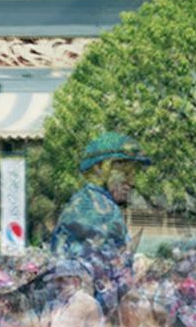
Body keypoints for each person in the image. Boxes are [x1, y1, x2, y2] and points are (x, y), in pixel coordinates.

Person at [51, 132, 151, 312]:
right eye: (124, 171)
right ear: (98, 169)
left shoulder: (82, 202)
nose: (131, 181)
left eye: (133, 172)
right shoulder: (102, 210)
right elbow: (109, 284)